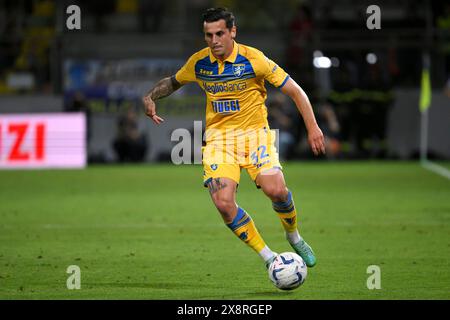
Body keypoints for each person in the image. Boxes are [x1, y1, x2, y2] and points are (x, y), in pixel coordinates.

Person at [142, 8, 325, 269]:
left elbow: (295, 91)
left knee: (277, 191)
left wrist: (313, 127)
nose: (214, 40)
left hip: (255, 137)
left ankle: (293, 235)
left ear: (232, 32)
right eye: (208, 35)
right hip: (219, 142)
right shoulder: (199, 63)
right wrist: (150, 96)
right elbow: (173, 82)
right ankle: (270, 259)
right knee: (223, 203)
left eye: (219, 34)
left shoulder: (254, 60)